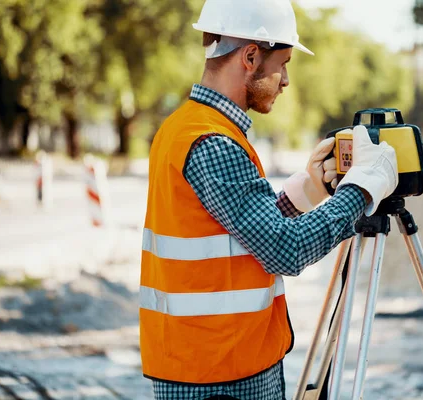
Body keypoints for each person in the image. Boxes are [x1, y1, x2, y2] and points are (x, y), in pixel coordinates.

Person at [139, 1, 399, 399]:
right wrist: (362, 190)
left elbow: (234, 233)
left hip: (210, 362)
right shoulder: (215, 142)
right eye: (284, 63)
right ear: (249, 56)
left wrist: (303, 193)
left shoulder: (186, 127)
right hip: (220, 375)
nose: (285, 81)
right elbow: (284, 250)